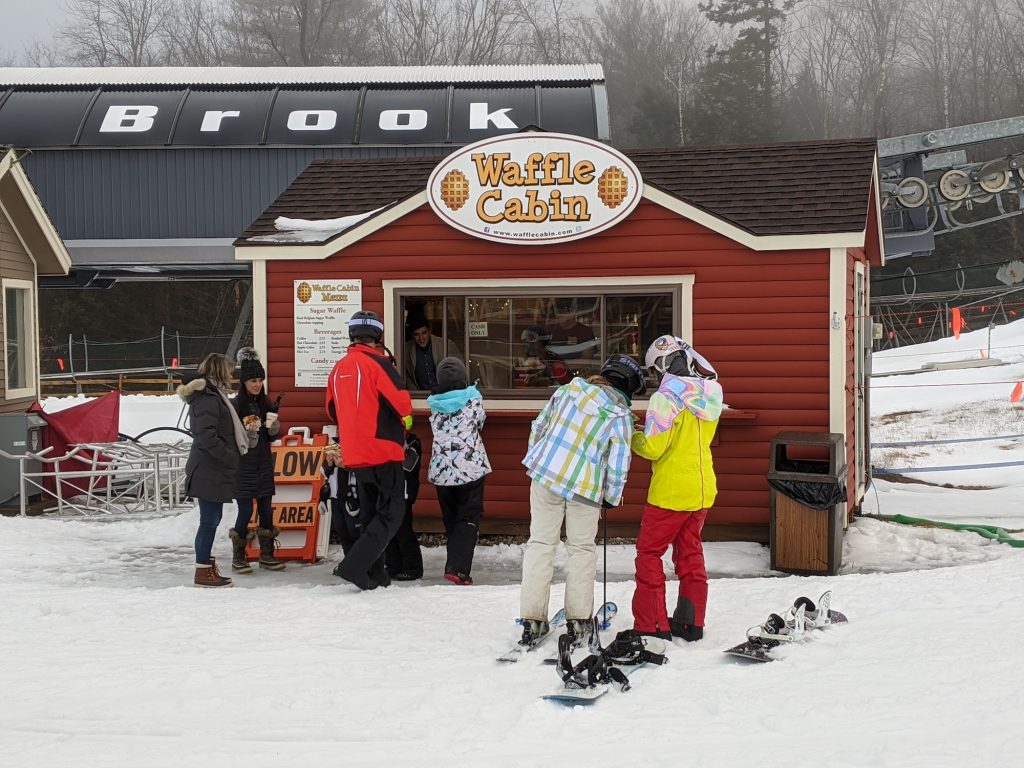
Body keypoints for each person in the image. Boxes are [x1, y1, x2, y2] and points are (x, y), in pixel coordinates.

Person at [518, 354, 646, 647]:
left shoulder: (566, 391)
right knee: (581, 551)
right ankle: (578, 622)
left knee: (540, 545)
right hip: (585, 489)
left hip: (545, 477)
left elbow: (538, 427)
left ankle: (532, 621)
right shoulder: (620, 417)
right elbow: (618, 463)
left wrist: (540, 461)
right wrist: (611, 497)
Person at [630, 335, 723, 642]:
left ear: (661, 365)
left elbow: (655, 448)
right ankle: (691, 622)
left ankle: (651, 625)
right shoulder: (710, 392)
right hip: (701, 489)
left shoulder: (665, 398)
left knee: (649, 555)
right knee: (690, 553)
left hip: (670, 493)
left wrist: (632, 434)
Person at [325, 310, 413, 590]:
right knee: (391, 513)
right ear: (378, 336)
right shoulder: (380, 365)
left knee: (370, 514)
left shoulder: (339, 368)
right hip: (384, 450)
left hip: (355, 454)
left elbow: (330, 410)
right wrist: (405, 424)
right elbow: (403, 405)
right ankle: (353, 566)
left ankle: (376, 574)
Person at [178, 352, 252, 588]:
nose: (232, 375)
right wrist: (229, 456)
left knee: (212, 519)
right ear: (220, 372)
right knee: (209, 521)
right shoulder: (209, 399)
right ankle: (202, 571)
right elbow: (207, 435)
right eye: (229, 371)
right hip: (209, 468)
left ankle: (206, 565)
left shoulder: (212, 396)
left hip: (210, 468)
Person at [426, 357, 491, 585]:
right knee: (468, 517)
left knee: (451, 518)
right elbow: (480, 421)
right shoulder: (473, 400)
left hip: (442, 471)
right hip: (469, 468)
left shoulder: (434, 403)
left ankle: (453, 562)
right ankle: (458, 569)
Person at [228, 347, 285, 574]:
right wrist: (248, 434)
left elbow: (271, 437)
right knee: (244, 511)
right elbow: (233, 439)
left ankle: (267, 555)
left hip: (263, 463)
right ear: (243, 382)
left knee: (266, 510)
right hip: (243, 466)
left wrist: (273, 429)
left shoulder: (266, 404)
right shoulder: (235, 406)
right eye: (253, 380)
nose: (257, 384)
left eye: (260, 380)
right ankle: (239, 556)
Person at [383, 433, 425, 581]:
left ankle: (413, 568)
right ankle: (393, 566)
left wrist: (391, 456)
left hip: (404, 494)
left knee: (403, 532)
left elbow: (408, 467)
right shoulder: (386, 438)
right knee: (389, 532)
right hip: (388, 492)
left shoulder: (413, 442)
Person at [403, 315, 460, 390]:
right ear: (412, 335)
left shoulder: (446, 345)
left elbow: (459, 371)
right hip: (420, 397)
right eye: (416, 334)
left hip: (445, 396)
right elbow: (407, 376)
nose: (421, 338)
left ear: (430, 331)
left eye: (424, 333)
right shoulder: (406, 350)